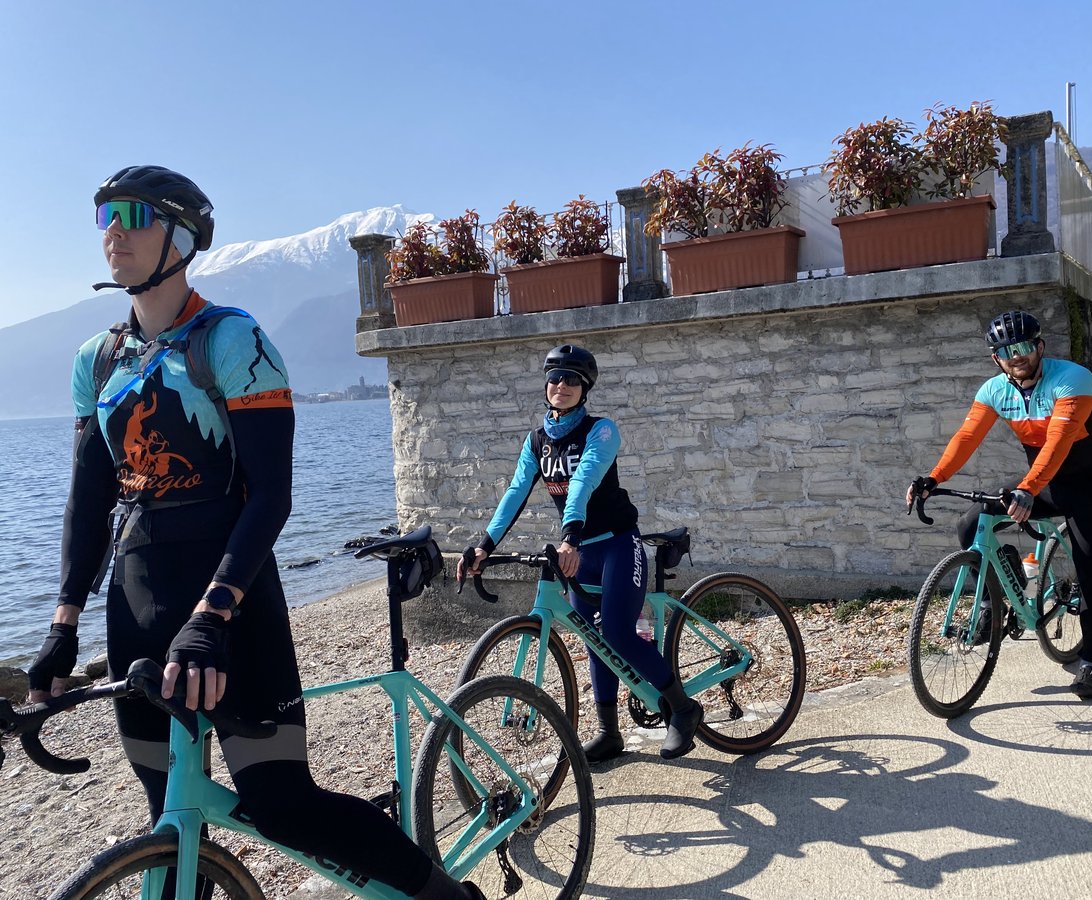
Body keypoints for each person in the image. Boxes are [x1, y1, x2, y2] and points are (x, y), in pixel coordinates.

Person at [26, 165, 481, 899]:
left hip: (232, 608)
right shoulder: (97, 359)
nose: (114, 230)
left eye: (134, 214)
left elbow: (271, 496)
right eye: (103, 214)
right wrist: (62, 622)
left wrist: (214, 613)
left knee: (284, 807)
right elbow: (87, 505)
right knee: (171, 825)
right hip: (137, 606)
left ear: (181, 236)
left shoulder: (235, 340)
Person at [459, 344, 703, 762]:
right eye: (555, 378)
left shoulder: (601, 430)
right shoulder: (536, 441)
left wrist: (569, 535)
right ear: (546, 385)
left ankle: (683, 708)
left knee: (619, 634)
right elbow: (516, 493)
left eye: (573, 379)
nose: (562, 386)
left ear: (585, 387)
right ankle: (609, 733)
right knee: (593, 641)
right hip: (580, 552)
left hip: (616, 544)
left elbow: (584, 481)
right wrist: (484, 546)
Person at [907, 310, 1092, 700]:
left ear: (1039, 346)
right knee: (971, 524)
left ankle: (1089, 664)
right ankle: (996, 599)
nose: (1016, 355)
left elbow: (1058, 442)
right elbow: (967, 437)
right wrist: (933, 478)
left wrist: (1026, 488)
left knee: (1091, 573)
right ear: (996, 358)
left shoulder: (1073, 379)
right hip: (1044, 482)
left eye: (1023, 346)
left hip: (1089, 484)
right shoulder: (994, 391)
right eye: (1006, 350)